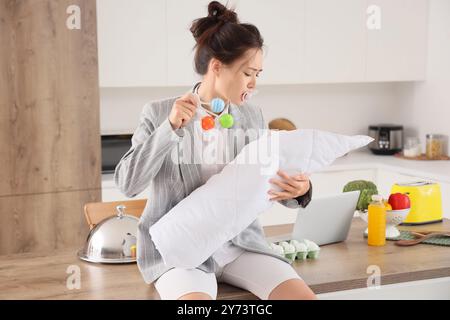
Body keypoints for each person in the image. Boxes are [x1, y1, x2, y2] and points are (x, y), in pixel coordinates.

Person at [114, 1, 316, 300]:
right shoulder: (158, 113)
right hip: (181, 252)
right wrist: (169, 129)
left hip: (242, 246)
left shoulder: (252, 115)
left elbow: (264, 182)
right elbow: (128, 184)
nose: (254, 83)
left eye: (258, 73)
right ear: (217, 66)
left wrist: (300, 190)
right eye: (248, 73)